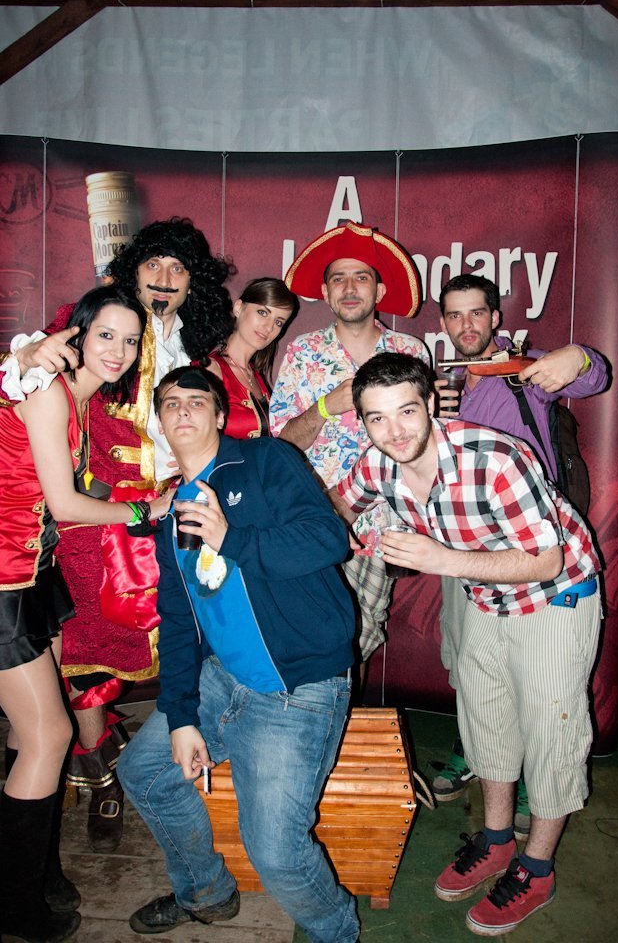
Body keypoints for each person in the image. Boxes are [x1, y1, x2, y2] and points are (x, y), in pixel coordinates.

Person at [333, 353, 603, 936]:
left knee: (551, 731)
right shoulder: (377, 463)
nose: (395, 431)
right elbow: (336, 505)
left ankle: (537, 868)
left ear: (431, 404)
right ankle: (498, 840)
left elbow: (547, 559)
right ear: (362, 422)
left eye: (407, 411)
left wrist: (442, 559)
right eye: (377, 418)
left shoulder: (495, 457)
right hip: (484, 592)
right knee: (486, 719)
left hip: (554, 593)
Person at [0, 218, 234, 851]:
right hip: (81, 528)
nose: (163, 279)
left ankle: (137, 770)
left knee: (179, 635)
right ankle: (95, 766)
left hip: (83, 540)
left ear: (193, 285)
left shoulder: (190, 352)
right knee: (80, 663)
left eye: (177, 269)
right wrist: (20, 357)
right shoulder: (69, 359)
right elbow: (23, 377)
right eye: (152, 264)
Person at [117, 366, 359, 941]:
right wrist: (181, 716)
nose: (183, 410)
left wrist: (232, 538)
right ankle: (206, 892)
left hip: (296, 687)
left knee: (275, 853)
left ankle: (337, 933)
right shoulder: (172, 511)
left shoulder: (265, 461)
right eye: (170, 403)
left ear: (221, 415)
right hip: (223, 679)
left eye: (196, 401)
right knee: (143, 772)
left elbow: (329, 539)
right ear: (159, 423)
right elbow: (180, 620)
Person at [0, 285, 170, 943]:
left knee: (29, 737)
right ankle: (15, 903)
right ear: (77, 334)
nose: (119, 351)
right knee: (48, 736)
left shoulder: (80, 398)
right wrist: (144, 511)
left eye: (130, 340)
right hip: (4, 580)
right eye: (106, 335)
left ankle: (35, 874)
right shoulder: (46, 389)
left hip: (30, 574)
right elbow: (65, 505)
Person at [431, 274, 608, 834]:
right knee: (469, 665)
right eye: (455, 315)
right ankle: (476, 752)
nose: (466, 325)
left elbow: (593, 378)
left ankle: (535, 781)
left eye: (476, 313)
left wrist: (579, 356)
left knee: (539, 678)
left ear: (495, 318)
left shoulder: (523, 372)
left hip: (531, 549)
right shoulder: (439, 381)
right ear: (443, 323)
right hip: (462, 549)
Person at [269, 220, 428, 666]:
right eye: (339, 279)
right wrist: (325, 406)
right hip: (318, 515)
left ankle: (338, 706)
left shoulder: (410, 351)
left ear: (379, 291)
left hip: (387, 521)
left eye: (362, 277)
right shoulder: (303, 352)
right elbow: (282, 443)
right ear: (325, 292)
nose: (350, 288)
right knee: (314, 628)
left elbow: (426, 439)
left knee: (365, 630)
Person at [208, 277, 298, 437]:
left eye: (278, 322)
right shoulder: (211, 369)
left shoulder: (255, 375)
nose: (269, 327)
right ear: (238, 308)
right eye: (263, 313)